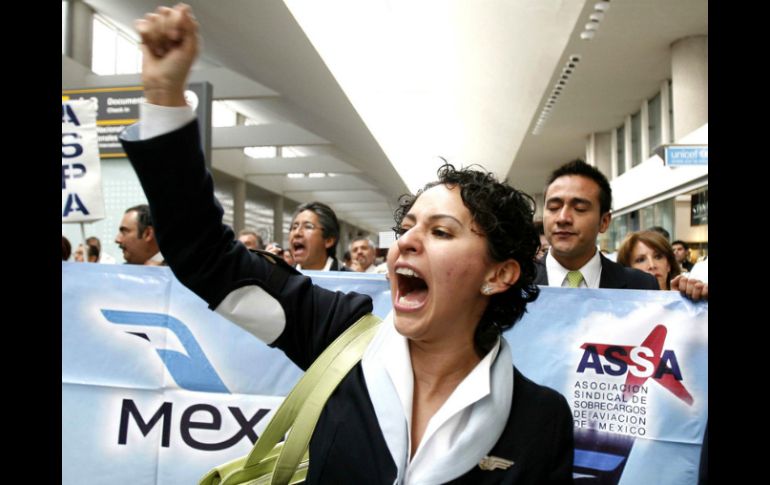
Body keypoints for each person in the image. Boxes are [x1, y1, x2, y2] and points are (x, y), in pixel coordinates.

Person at [121, 6, 574, 482]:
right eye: (407, 229)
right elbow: (206, 257)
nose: (408, 244)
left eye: (440, 232)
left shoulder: (540, 421)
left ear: (499, 274)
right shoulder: (339, 338)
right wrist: (164, 97)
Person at [536, 159, 658, 290]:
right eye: (554, 207)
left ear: (604, 221)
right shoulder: (517, 284)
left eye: (580, 208)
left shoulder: (641, 286)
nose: (563, 218)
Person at [290, 201, 349, 271]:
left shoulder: (351, 280)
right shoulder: (280, 278)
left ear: (328, 240)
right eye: (294, 227)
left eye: (308, 227)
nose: (297, 233)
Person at [616, 231, 681, 290]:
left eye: (658, 257)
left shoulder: (687, 299)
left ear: (669, 265)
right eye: (640, 260)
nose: (652, 265)